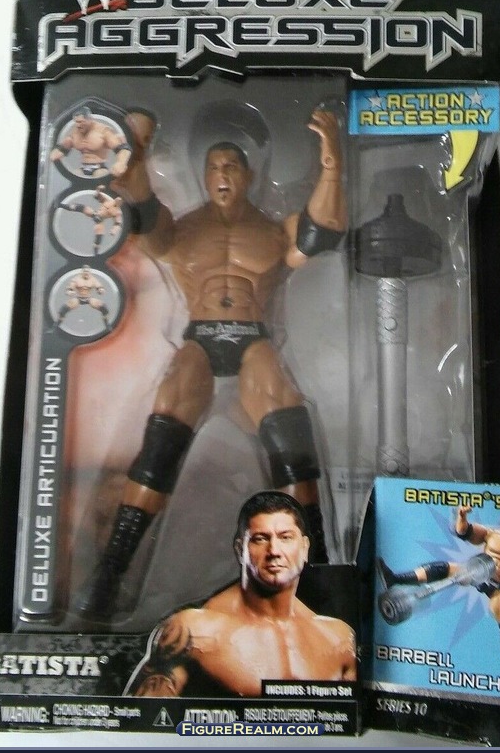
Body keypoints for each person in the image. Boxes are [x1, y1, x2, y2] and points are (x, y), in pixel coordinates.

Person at [75, 106, 347, 618]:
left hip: (252, 337)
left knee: (291, 433)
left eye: (232, 166)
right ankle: (111, 572)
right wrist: (135, 153)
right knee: (162, 436)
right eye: (214, 167)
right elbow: (140, 212)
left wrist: (332, 161)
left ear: (249, 175)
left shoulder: (274, 231)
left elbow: (322, 230)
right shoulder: (180, 231)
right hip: (200, 338)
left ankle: (318, 571)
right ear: (202, 176)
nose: (222, 175)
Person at [124, 491, 357, 696]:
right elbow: (140, 720)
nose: (274, 551)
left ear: (304, 548)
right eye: (260, 539)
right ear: (240, 550)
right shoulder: (193, 630)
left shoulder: (338, 638)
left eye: (285, 538)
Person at [377, 507, 500, 680]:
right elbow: (465, 532)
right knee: (443, 568)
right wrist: (462, 516)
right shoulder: (494, 534)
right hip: (474, 570)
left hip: (493, 585)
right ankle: (394, 579)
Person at [50, 105, 131, 178]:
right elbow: (62, 148)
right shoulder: (75, 133)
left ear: (89, 119)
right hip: (83, 168)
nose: (78, 125)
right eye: (76, 122)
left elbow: (123, 149)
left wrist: (121, 163)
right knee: (75, 175)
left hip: (99, 168)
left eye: (81, 122)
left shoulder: (103, 131)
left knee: (100, 176)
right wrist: (53, 154)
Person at [62, 186, 123, 254]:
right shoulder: (108, 201)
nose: (119, 200)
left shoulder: (117, 212)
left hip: (100, 220)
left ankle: (95, 253)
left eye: (120, 200)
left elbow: (118, 223)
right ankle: (61, 205)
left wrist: (114, 230)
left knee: (99, 236)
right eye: (118, 198)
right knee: (81, 207)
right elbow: (96, 196)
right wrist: (99, 189)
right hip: (94, 213)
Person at [54, 265, 111, 332]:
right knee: (63, 309)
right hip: (78, 298)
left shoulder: (93, 279)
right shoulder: (76, 279)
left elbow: (99, 287)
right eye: (85, 271)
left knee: (104, 308)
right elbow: (69, 289)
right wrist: (70, 292)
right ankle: (55, 327)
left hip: (89, 298)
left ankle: (107, 326)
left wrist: (101, 290)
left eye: (87, 271)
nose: (86, 273)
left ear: (89, 272)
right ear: (82, 272)